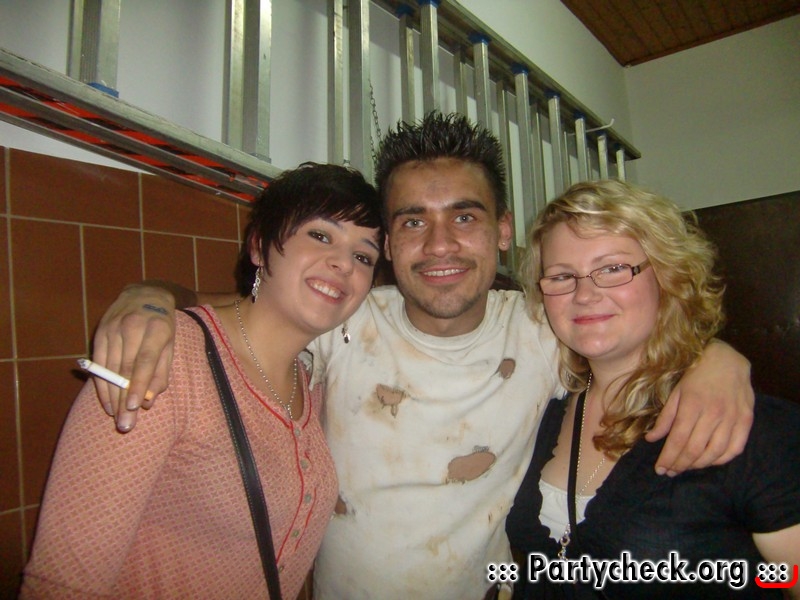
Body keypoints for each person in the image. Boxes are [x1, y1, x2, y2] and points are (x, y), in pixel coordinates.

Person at [89, 113, 754, 599]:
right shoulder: (344, 321)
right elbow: (237, 317)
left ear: (501, 231)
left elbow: (633, 336)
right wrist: (154, 296)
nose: (439, 245)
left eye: (464, 217)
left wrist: (716, 360)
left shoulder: (541, 327)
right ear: (387, 241)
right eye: (413, 221)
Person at [20, 163, 384, 599]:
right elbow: (61, 584)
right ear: (258, 246)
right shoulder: (166, 358)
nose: (343, 263)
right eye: (321, 235)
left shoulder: (313, 383)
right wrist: (150, 295)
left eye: (363, 256)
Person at [506, 179, 800, 599]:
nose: (585, 294)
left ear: (668, 276)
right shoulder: (544, 411)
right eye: (562, 275)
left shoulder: (752, 429)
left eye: (613, 268)